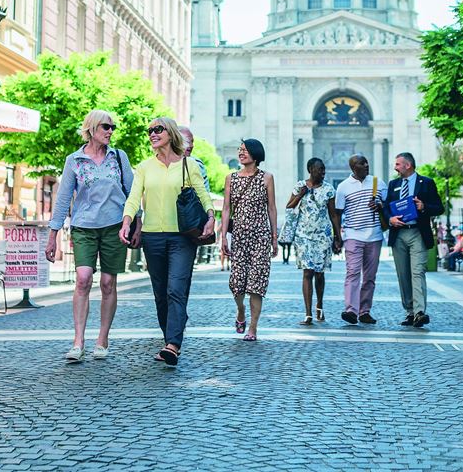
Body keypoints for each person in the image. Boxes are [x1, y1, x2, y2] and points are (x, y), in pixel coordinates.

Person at [46, 110, 141, 363]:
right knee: (83, 279)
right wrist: (52, 235)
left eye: (112, 127)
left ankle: (102, 339)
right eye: (105, 127)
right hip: (84, 227)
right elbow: (63, 199)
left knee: (108, 283)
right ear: (91, 128)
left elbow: (132, 193)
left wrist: (137, 224)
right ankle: (78, 341)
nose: (110, 131)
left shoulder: (118, 157)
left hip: (115, 227)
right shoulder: (74, 160)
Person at [120, 117, 214, 366]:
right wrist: (127, 222)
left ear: (170, 134)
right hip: (152, 237)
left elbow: (203, 195)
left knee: (176, 289)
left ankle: (173, 344)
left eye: (158, 129)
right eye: (150, 130)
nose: (152, 134)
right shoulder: (144, 167)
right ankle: (169, 338)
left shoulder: (189, 165)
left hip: (182, 237)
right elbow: (133, 198)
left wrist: (211, 217)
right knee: (161, 294)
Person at [221, 139, 277, 341]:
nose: (241, 153)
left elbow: (272, 208)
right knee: (236, 283)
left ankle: (253, 328)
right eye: (240, 150)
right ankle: (241, 310)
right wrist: (223, 237)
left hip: (260, 237)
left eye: (245, 150)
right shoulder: (231, 178)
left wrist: (274, 238)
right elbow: (226, 208)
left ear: (255, 154)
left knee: (256, 284)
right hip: (239, 237)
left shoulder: (267, 178)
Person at [384, 152, 444, 327]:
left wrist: (424, 206)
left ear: (408, 165)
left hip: (417, 232)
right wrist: (390, 219)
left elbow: (439, 207)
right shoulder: (393, 184)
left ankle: (419, 312)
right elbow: (386, 207)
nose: (395, 167)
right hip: (398, 234)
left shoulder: (426, 183)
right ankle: (410, 311)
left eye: (398, 164)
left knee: (417, 272)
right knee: (403, 275)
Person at [287, 158, 342, 325]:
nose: (323, 172)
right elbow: (289, 206)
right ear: (311, 169)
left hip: (323, 236)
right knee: (307, 272)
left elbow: (333, 214)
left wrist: (338, 237)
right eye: (320, 169)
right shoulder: (299, 186)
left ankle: (319, 305)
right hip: (303, 235)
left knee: (319, 273)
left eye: (324, 169)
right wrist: (301, 194)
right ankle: (308, 313)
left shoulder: (329, 189)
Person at [335, 155, 387, 325]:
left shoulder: (378, 183)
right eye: (361, 163)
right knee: (352, 273)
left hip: (375, 236)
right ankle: (351, 310)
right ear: (353, 167)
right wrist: (338, 237)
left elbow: (388, 206)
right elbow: (338, 213)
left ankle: (364, 311)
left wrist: (380, 206)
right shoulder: (343, 187)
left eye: (366, 162)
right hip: (353, 235)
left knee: (370, 277)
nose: (366, 165)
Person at [179, 126, 211, 194]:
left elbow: (204, 193)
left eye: (192, 141)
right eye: (187, 141)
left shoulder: (197, 164)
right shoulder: (159, 163)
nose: (191, 145)